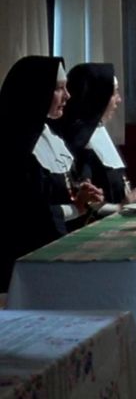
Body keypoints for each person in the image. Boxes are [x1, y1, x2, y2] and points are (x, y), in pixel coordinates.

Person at [0, 56, 103, 290]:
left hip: (60, 246)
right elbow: (26, 213)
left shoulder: (50, 134)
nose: (68, 95)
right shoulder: (12, 146)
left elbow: (56, 192)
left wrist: (81, 194)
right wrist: (76, 207)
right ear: (35, 92)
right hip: (25, 263)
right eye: (59, 88)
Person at [55, 63, 136, 217]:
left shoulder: (99, 132)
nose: (119, 100)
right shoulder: (78, 142)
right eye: (114, 93)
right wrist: (121, 208)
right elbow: (87, 202)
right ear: (98, 97)